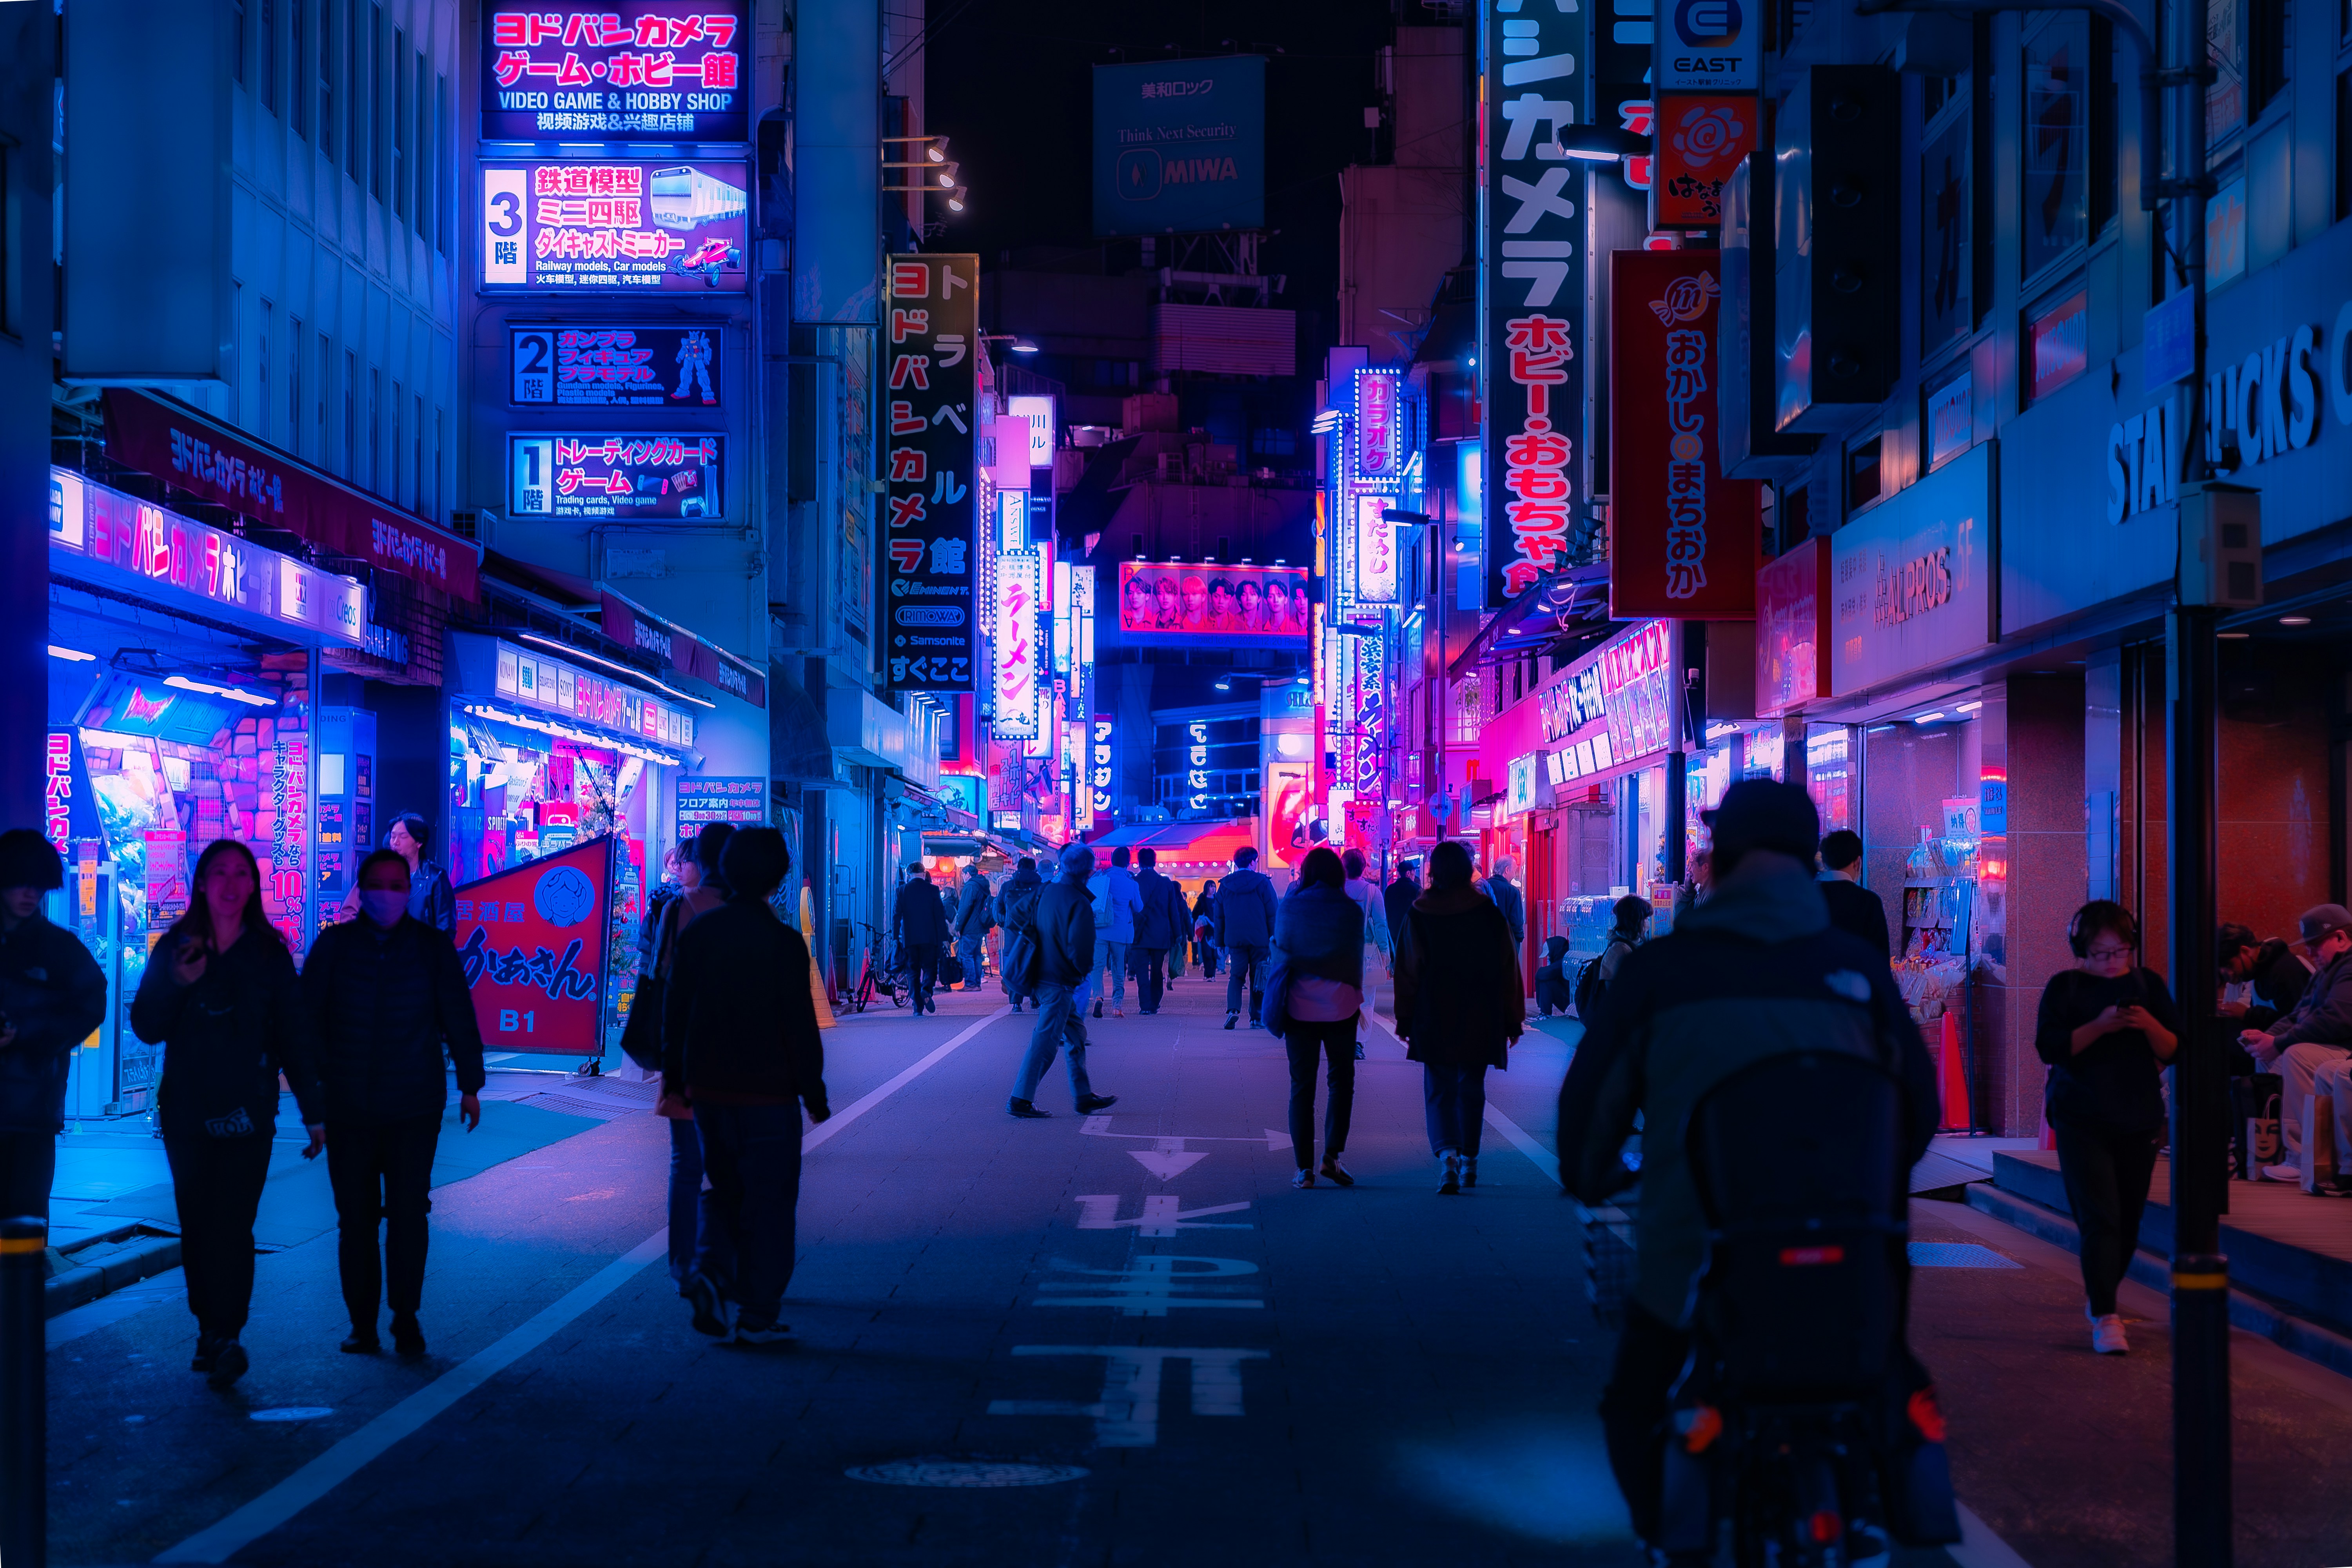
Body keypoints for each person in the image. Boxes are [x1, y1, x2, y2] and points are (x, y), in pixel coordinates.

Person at [1555, 780, 1938, 1545]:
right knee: (1884, 1381)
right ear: (1808, 862)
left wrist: (1596, 1176)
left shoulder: (1664, 972)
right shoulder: (1857, 970)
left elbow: (1590, 1112)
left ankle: (1671, 1539)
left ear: (1716, 859)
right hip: (1849, 1243)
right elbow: (1919, 1110)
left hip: (1698, 1249)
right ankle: (1867, 1509)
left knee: (1636, 1400)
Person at [130, 839, 326, 1387]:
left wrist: (315, 1110)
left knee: (234, 1223)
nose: (232, 883)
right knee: (197, 1221)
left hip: (249, 1108)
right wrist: (177, 983)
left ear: (253, 886)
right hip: (189, 1109)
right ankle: (208, 1327)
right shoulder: (178, 947)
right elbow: (146, 1024)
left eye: (242, 873)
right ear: (201, 883)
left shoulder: (269, 952)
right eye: (220, 873)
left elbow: (294, 1033)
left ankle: (227, 1333)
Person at [302, 848, 484, 1357]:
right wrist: (313, 1090)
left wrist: (471, 1084)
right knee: (355, 1219)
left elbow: (458, 1016)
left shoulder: (430, 948)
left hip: (414, 1106)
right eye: (378, 884)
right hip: (349, 1108)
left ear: (409, 890)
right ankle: (362, 1323)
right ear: (362, 891)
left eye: (397, 884)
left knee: (409, 1213)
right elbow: (307, 1020)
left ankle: (406, 1316)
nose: (388, 893)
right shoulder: (334, 947)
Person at [662, 828, 831, 1346]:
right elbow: (799, 1024)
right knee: (772, 1200)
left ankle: (712, 1271)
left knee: (725, 1188)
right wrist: (814, 1092)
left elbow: (677, 1013)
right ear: (779, 879)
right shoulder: (782, 943)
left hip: (709, 1090)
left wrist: (677, 1081)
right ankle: (757, 1313)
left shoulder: (701, 933)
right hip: (769, 1093)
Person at [2033, 900, 2180, 1354]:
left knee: (2129, 1219)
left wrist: (2146, 1022)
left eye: (2119, 951)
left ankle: (2101, 1293)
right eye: (2101, 953)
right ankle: (2107, 1316)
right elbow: (2051, 1049)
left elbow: (2173, 1048)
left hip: (2137, 1115)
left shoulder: (2148, 984)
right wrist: (2100, 1025)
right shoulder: (2066, 987)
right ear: (2082, 948)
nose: (2112, 961)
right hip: (2081, 1114)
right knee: (2101, 1216)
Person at [1395, 841, 1524, 1193]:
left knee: (1439, 1086)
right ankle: (1470, 1160)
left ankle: (1447, 1157)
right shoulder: (1487, 912)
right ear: (1469, 870)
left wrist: (1404, 1019)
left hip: (1434, 1011)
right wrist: (1514, 1020)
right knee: (1472, 1085)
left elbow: (1408, 971)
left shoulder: (1420, 912)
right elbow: (1508, 968)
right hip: (1481, 1011)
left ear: (1433, 871)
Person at [0, 830, 107, 1224]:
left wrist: (27, 1034)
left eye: (38, 884)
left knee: (24, 1224)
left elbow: (92, 1004)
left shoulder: (59, 948)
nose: (30, 893)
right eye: (19, 882)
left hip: (33, 1109)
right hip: (35, 1105)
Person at [644, 824, 734, 1289]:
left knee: (687, 1165)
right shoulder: (752, 912)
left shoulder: (681, 908)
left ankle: (684, 1264)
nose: (680, 868)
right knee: (732, 1165)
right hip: (740, 1062)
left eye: (686, 859)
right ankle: (725, 1262)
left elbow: (663, 983)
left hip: (688, 1052)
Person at [1007, 843, 1120, 1120]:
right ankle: (1020, 1099)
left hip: (1040, 972)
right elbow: (1081, 949)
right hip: (1059, 979)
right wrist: (1080, 973)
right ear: (1088, 872)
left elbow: (1014, 916)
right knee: (1045, 1041)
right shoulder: (1078, 902)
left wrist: (1039, 933)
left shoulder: (1046, 891)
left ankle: (1083, 1095)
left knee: (1076, 1034)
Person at [1273, 847, 1364, 1188]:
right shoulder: (1350, 911)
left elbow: (1280, 950)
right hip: (1341, 1006)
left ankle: (1303, 1170)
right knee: (1341, 1082)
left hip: (1299, 1007)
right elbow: (1354, 960)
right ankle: (1332, 1157)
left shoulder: (1291, 907)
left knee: (1302, 1087)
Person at [2239, 903, 2352, 1176]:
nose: (2309, 951)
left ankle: (2302, 1158)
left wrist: (2280, 1044)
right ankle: (2270, 1151)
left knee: (2296, 1054)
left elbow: (2335, 1018)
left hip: (2347, 1051)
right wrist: (2269, 1039)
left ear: (2340, 938)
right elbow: (2297, 1015)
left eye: (2315, 943)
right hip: (2334, 1049)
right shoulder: (2326, 972)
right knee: (2266, 1056)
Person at [1215, 846, 1279, 1031]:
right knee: (1258, 977)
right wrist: (1274, 937)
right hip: (1260, 939)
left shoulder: (1225, 885)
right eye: (1256, 860)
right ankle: (1256, 1018)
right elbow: (1273, 913)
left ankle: (1233, 1011)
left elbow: (1219, 916)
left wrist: (1220, 942)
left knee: (1236, 975)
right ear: (1252, 862)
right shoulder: (1263, 882)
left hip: (1235, 940)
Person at [2216, 922, 2311, 1032]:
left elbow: (2297, 1022)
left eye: (2230, 965)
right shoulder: (2259, 971)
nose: (2230, 974)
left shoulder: (2285, 971)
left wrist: (2247, 1015)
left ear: (2245, 951)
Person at [1817, 829, 1891, 958]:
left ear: (1824, 862)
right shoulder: (1869, 902)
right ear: (1858, 863)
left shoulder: (1807, 897)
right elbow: (1880, 958)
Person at [1087, 845, 1142, 1019]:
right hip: (1120, 932)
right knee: (1119, 968)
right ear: (1127, 863)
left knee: (1098, 966)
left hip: (1101, 930)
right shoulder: (1131, 883)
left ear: (1112, 861)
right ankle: (1117, 1006)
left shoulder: (1101, 879)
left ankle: (1098, 996)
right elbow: (1139, 907)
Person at [1130, 848, 1187, 1015]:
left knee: (1141, 971)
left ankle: (1145, 1005)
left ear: (1139, 862)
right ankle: (1155, 1002)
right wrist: (1178, 934)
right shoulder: (1165, 883)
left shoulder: (1134, 882)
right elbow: (1173, 911)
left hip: (1138, 934)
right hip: (1160, 935)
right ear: (1155, 862)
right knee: (1157, 970)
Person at [893, 861, 949, 1014]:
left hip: (909, 939)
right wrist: (944, 938)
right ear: (924, 874)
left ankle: (918, 1007)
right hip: (930, 939)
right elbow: (940, 916)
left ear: (908, 875)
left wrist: (895, 938)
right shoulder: (933, 890)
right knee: (931, 969)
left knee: (913, 972)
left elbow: (896, 916)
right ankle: (926, 990)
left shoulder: (901, 891)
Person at [994, 858, 1045, 1013]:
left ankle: (1016, 1003)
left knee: (1014, 965)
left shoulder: (1007, 886)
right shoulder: (1042, 887)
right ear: (1035, 870)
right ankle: (1035, 999)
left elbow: (998, 910)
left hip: (1012, 934)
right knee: (1036, 964)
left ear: (1018, 868)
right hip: (1036, 934)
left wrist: (1007, 923)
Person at [952, 863, 993, 990]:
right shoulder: (983, 885)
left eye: (963, 874)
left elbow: (965, 908)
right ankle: (977, 983)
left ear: (967, 874)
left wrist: (958, 927)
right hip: (980, 927)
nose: (963, 877)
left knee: (967, 955)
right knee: (977, 955)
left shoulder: (970, 886)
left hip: (970, 927)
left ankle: (970, 983)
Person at [1383, 858, 1421, 970]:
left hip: (1393, 932)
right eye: (1414, 872)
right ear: (1408, 873)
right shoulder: (1417, 889)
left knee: (1397, 965)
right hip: (1411, 932)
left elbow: (1386, 911)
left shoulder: (1389, 890)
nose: (1415, 875)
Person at [1534, 935, 1575, 1019]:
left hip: (1572, 1003)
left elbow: (1541, 974)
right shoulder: (1563, 961)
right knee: (1546, 978)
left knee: (1547, 981)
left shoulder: (1564, 963)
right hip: (1571, 1001)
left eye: (1550, 955)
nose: (1549, 958)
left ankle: (1545, 1014)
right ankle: (1545, 1013)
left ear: (1556, 951)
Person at [1192, 880, 1221, 978]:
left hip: (1216, 930)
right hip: (1205, 930)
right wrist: (1202, 918)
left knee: (1214, 954)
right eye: (1211, 887)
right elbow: (1194, 914)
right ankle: (1208, 974)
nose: (1213, 889)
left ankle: (1212, 975)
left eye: (1214, 887)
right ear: (1206, 888)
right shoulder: (1202, 900)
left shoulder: (1217, 900)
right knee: (1207, 953)